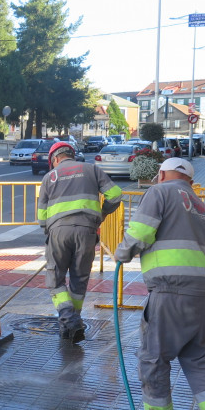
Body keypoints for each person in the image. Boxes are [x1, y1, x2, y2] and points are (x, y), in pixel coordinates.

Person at [114, 158, 205, 410]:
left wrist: (122, 252)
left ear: (161, 174)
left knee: (154, 361)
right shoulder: (203, 208)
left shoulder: (159, 191)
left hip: (171, 292)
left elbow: (140, 233)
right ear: (191, 182)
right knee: (198, 360)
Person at [37, 142, 122, 342]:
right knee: (79, 279)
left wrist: (48, 234)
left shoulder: (50, 177)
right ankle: (71, 324)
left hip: (59, 231)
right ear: (71, 155)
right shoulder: (91, 169)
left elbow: (42, 216)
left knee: (56, 280)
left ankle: (69, 320)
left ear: (54, 159)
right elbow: (116, 195)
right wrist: (101, 214)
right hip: (87, 231)